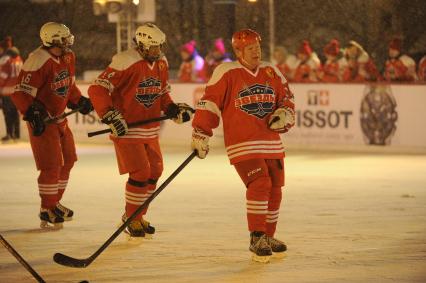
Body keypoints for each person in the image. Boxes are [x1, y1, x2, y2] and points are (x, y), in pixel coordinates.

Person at [190, 29, 295, 263]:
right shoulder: (227, 72)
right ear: (238, 51)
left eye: (258, 47)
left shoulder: (271, 71)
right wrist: (201, 132)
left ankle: (268, 236)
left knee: (276, 189)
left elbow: (287, 98)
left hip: (271, 142)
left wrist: (285, 112)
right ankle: (256, 237)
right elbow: (210, 103)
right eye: (251, 48)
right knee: (260, 183)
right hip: (243, 142)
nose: (256, 51)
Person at [88, 23, 193, 238]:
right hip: (127, 130)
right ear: (142, 45)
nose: (157, 51)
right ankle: (131, 218)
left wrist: (171, 108)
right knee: (141, 173)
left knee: (155, 172)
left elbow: (162, 93)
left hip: (149, 129)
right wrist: (109, 114)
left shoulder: (162, 62)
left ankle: (139, 215)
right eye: (153, 47)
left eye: (159, 47)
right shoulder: (126, 61)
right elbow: (97, 88)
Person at [11, 22, 93, 229]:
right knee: (51, 166)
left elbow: (68, 85)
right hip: (43, 120)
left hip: (59, 120)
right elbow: (20, 93)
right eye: (64, 38)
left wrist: (78, 100)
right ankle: (46, 208)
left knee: (69, 161)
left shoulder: (68, 57)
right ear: (53, 40)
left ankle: (54, 203)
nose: (68, 41)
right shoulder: (37, 60)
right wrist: (31, 113)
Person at [0, 36, 23, 142]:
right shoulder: (18, 58)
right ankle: (16, 135)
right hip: (17, 91)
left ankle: (9, 134)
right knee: (15, 113)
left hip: (7, 92)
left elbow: (3, 76)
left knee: (8, 113)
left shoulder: (5, 59)